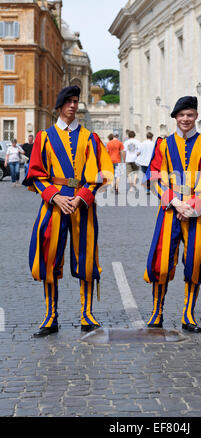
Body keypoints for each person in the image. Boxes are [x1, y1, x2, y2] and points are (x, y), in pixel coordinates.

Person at [23, 85, 114, 337]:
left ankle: (87, 314)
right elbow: (36, 174)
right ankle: (50, 316)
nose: (73, 105)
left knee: (86, 260)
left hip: (82, 207)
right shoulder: (44, 137)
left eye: (76, 101)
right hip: (53, 206)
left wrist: (82, 197)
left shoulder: (91, 138)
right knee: (49, 259)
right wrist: (55, 196)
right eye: (68, 101)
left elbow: (101, 174)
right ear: (60, 105)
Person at [143, 96, 201, 333]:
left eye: (189, 115)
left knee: (195, 261)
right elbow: (155, 176)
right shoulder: (163, 144)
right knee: (161, 262)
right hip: (170, 210)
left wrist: (191, 206)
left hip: (197, 213)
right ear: (175, 118)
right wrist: (177, 203)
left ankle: (188, 314)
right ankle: (156, 311)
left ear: (196, 116)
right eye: (181, 115)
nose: (185, 119)